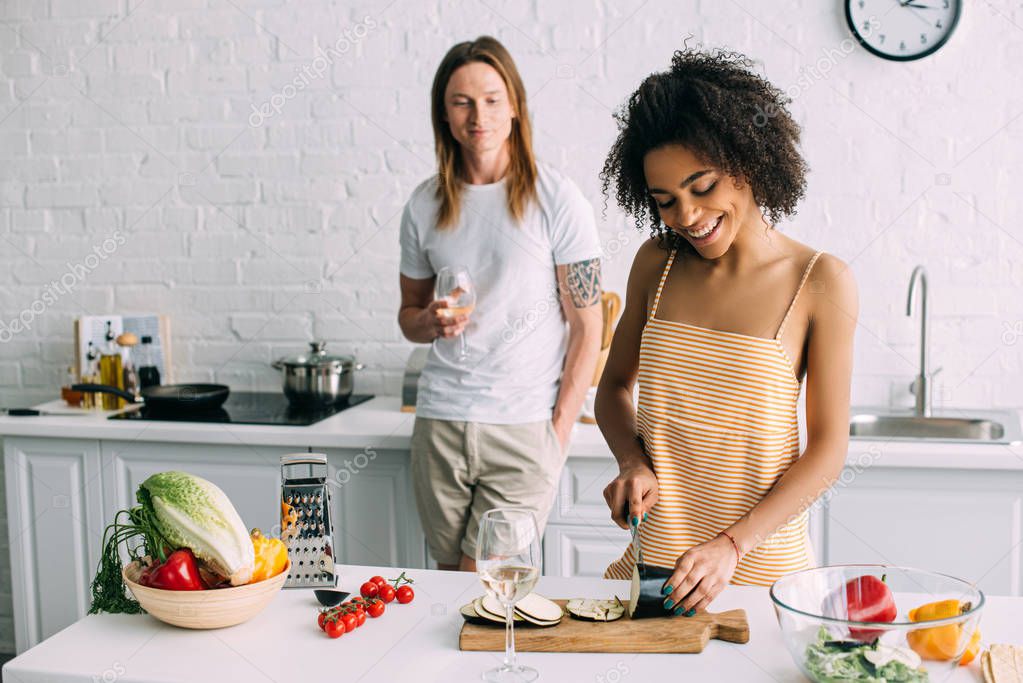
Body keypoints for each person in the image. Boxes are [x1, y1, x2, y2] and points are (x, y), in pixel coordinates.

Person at [597, 47, 858, 614]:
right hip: (655, 571)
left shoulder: (819, 281)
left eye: (702, 186)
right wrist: (631, 462)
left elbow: (829, 450)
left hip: (764, 583)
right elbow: (614, 386)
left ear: (748, 161)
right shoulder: (656, 265)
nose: (686, 216)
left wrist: (731, 545)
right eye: (665, 201)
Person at [398, 36, 603, 572]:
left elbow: (588, 327)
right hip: (440, 423)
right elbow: (408, 318)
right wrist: (428, 321)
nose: (478, 115)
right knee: (449, 589)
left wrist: (556, 433)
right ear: (443, 114)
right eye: (461, 101)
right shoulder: (424, 204)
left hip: (523, 428)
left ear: (514, 103)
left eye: (491, 99)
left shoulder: (556, 199)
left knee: (483, 586)